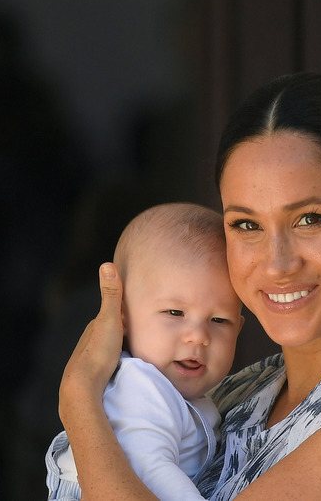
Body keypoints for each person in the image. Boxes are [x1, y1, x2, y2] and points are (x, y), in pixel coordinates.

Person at [57, 72, 321, 500]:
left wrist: (79, 399)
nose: (277, 264)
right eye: (247, 225)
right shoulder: (241, 391)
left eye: (310, 219)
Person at [46, 202, 245, 500]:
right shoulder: (140, 387)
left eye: (219, 320)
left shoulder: (180, 394)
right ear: (122, 318)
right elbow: (149, 470)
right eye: (175, 313)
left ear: (239, 329)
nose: (199, 336)